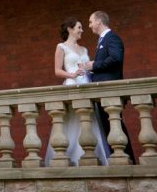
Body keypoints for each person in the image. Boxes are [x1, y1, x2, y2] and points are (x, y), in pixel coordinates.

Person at [43, 18, 109, 166]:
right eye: (79, 27)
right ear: (70, 29)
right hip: (72, 84)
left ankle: (93, 155)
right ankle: (72, 155)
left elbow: (87, 67)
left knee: (88, 119)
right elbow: (57, 70)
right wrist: (72, 75)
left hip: (86, 84)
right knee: (72, 121)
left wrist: (89, 68)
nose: (82, 30)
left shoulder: (84, 49)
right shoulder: (61, 47)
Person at [86, 10, 135, 164]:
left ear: (99, 21)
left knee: (114, 124)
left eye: (91, 22)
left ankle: (127, 159)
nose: (90, 25)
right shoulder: (102, 40)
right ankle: (118, 157)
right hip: (102, 91)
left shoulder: (112, 38)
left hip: (109, 91)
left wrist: (94, 65)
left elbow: (115, 59)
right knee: (109, 125)